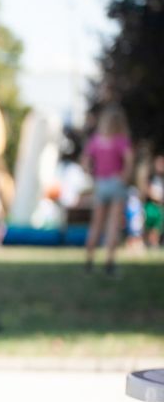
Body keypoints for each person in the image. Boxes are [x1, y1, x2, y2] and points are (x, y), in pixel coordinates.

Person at [82, 105, 134, 276]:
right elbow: (129, 160)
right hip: (115, 182)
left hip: (101, 183)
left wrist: (92, 174)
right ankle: (109, 263)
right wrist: (124, 176)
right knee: (113, 225)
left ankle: (89, 261)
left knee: (96, 224)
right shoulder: (121, 140)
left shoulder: (96, 140)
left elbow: (85, 159)